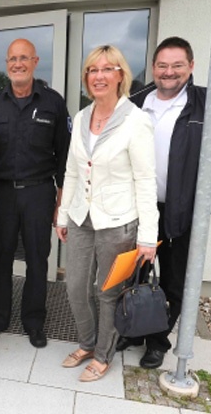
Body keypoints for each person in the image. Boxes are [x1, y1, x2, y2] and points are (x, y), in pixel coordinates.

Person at [122, 36, 211, 369]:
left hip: (182, 212)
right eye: (162, 65)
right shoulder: (135, 102)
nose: (169, 72)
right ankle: (134, 330)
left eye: (177, 65)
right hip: (138, 210)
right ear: (153, 68)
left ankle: (157, 341)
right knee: (134, 275)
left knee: (173, 282)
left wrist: (201, 209)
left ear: (191, 66)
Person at [56, 45, 158, 382]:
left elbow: (145, 179)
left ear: (120, 75)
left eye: (107, 69)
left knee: (108, 291)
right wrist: (62, 215)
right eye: (92, 70)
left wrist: (147, 236)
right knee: (74, 286)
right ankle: (86, 343)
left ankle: (103, 353)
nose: (98, 76)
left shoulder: (137, 120)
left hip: (118, 223)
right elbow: (72, 171)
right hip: (81, 217)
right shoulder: (82, 117)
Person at [0, 39, 70, 348]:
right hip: (2, 193)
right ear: (7, 64)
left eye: (24, 58)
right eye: (12, 59)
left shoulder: (53, 103)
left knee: (37, 259)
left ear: (35, 61)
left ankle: (34, 321)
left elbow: (65, 156)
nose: (18, 64)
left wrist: (61, 201)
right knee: (1, 258)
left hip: (38, 193)